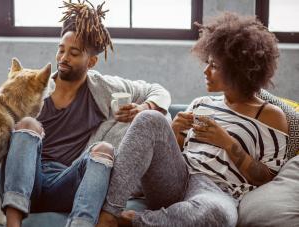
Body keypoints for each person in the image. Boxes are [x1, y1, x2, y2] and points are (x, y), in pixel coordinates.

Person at [0, 1, 170, 227]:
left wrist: (145, 108)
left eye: (73, 53)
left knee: (103, 150)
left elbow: (158, 91)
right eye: (61, 49)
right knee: (27, 124)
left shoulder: (103, 89)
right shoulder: (34, 87)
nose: (63, 58)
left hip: (66, 184)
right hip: (20, 179)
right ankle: (13, 224)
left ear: (91, 62)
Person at [97, 12, 289, 227]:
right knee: (149, 117)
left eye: (214, 66)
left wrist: (226, 141)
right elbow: (173, 155)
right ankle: (108, 214)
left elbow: (266, 178)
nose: (206, 71)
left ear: (239, 70)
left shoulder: (271, 115)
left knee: (218, 214)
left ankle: (135, 222)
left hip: (216, 191)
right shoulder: (200, 103)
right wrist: (175, 132)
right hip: (178, 177)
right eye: (207, 63)